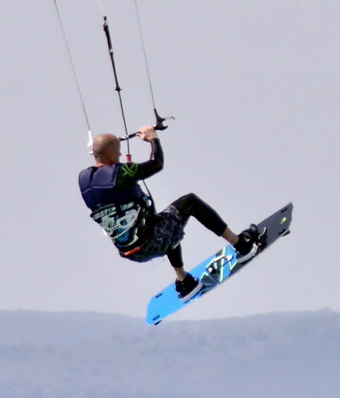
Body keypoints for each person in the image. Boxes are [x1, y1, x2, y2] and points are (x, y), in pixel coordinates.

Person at [78, 126, 257, 298]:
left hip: (130, 252)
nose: (119, 156)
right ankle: (241, 244)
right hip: (151, 241)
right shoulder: (120, 174)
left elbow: (110, 183)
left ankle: (183, 280)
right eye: (118, 152)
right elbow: (157, 164)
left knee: (168, 219)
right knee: (190, 202)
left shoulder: (84, 181)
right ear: (110, 154)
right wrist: (153, 138)